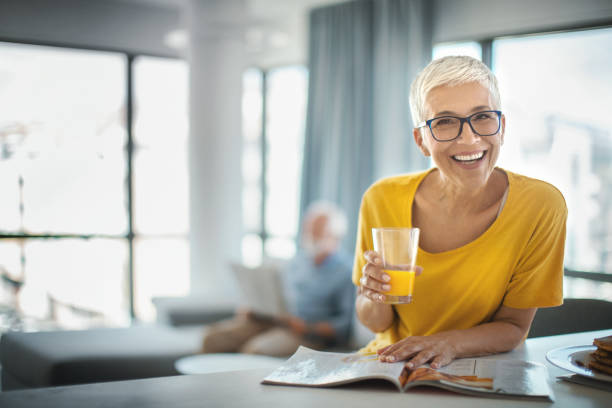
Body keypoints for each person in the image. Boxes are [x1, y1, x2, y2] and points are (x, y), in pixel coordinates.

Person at [354, 56, 567, 369]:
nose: (469, 138)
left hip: (480, 370)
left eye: (482, 116)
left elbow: (513, 328)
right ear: (421, 141)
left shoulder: (540, 206)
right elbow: (376, 322)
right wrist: (375, 293)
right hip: (390, 366)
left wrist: (447, 343)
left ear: (502, 126)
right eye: (444, 122)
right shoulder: (381, 198)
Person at [202, 201, 355, 357]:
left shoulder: (347, 271)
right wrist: (254, 307)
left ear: (335, 235)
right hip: (275, 321)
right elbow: (277, 293)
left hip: (307, 333)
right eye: (308, 230)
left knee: (255, 350)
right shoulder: (298, 262)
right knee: (212, 339)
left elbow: (345, 325)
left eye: (317, 231)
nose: (310, 235)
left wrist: (308, 328)